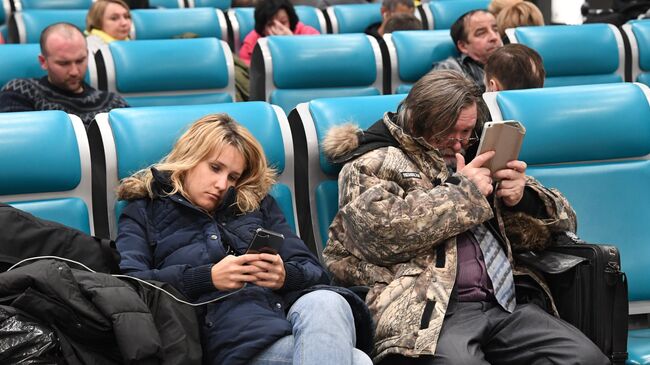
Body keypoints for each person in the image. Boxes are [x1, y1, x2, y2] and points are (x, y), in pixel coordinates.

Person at [321, 69, 610, 365]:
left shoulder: (477, 152)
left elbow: (567, 220)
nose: (459, 143)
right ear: (418, 120)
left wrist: (525, 200)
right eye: (449, 132)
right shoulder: (373, 162)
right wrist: (464, 193)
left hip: (505, 303)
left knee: (587, 358)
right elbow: (381, 235)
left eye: (466, 131)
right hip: (428, 311)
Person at [115, 114, 373, 365]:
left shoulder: (256, 204)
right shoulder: (143, 211)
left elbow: (314, 272)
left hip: (287, 321)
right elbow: (130, 285)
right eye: (215, 168)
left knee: (327, 300)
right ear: (190, 158)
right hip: (222, 341)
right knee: (358, 361)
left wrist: (284, 276)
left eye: (233, 177)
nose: (221, 184)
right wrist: (208, 277)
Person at [0, 23, 128, 127]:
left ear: (87, 55)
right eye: (63, 63)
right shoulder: (19, 91)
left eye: (80, 61)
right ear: (43, 62)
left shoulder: (113, 103)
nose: (74, 71)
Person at [432, 10, 503, 90]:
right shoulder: (448, 70)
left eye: (495, 30)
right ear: (463, 46)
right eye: (481, 33)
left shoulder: (512, 62)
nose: (494, 37)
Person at [238, 0, 320, 66]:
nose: (279, 27)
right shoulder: (251, 41)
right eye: (270, 24)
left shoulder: (309, 34)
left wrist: (292, 43)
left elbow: (317, 63)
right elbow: (249, 73)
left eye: (283, 22)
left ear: (290, 21)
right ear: (262, 28)